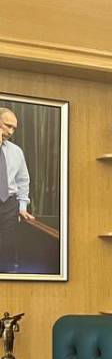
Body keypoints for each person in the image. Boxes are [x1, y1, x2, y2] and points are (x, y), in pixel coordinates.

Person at [0, 107, 34, 272]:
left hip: (9, 204)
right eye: (8, 126)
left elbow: (23, 180)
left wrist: (22, 206)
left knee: (7, 249)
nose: (11, 132)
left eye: (14, 128)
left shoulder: (16, 151)